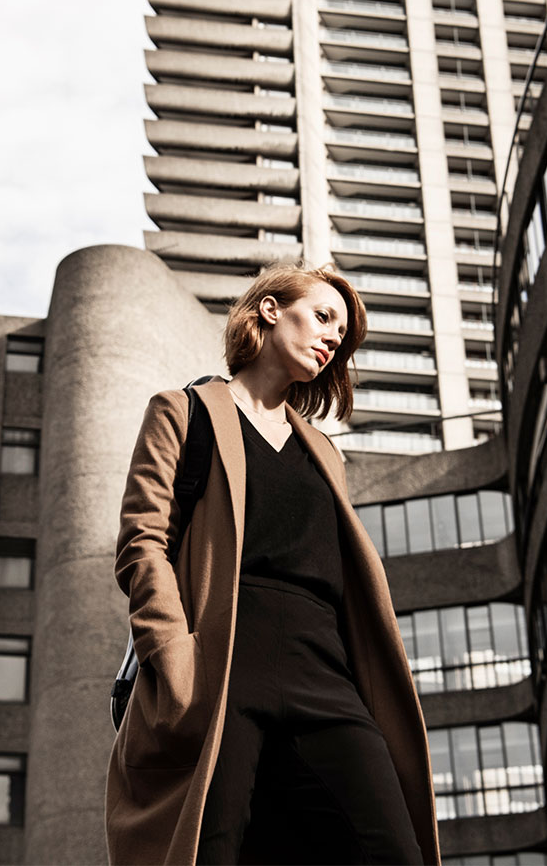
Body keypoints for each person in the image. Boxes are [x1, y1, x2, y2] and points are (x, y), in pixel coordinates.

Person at [105, 262, 440, 866]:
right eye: (322, 317)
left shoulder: (324, 452)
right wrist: (178, 662)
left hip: (325, 669)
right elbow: (142, 544)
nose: (333, 338)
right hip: (224, 660)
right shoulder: (185, 412)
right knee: (218, 849)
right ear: (269, 310)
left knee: (393, 849)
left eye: (341, 336)